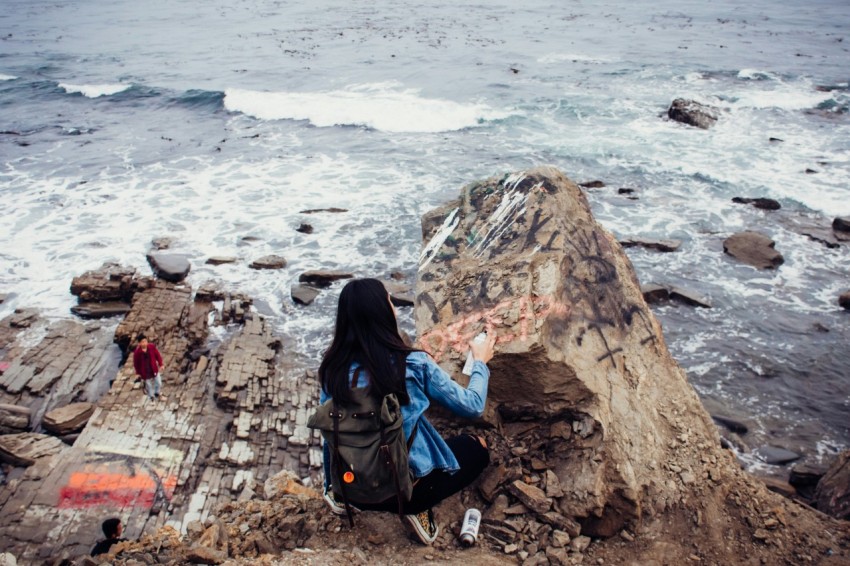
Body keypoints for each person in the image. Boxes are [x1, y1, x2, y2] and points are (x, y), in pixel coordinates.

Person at [319, 278, 496, 545]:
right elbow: (472, 405)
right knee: (477, 447)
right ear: (384, 312)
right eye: (389, 300)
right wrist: (481, 362)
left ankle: (341, 496)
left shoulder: (332, 370)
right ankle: (416, 510)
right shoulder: (413, 365)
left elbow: (327, 437)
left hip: (351, 488)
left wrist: (333, 487)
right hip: (408, 493)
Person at [132, 334, 164, 401]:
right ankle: (151, 396)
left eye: (145, 341)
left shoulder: (151, 347)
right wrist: (138, 373)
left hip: (153, 369)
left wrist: (161, 364)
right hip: (145, 372)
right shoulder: (137, 353)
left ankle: (157, 393)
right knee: (149, 386)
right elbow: (136, 364)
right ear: (139, 343)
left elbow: (157, 355)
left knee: (158, 382)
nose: (145, 343)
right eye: (143, 342)